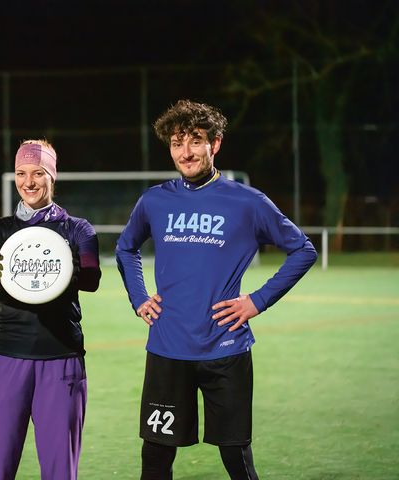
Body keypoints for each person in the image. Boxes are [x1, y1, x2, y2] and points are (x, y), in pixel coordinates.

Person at [116, 100, 317, 479]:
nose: (186, 152)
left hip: (226, 349)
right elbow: (126, 247)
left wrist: (257, 301)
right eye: (178, 143)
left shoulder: (248, 202)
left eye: (196, 141)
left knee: (235, 456)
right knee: (156, 457)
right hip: (167, 348)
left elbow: (302, 250)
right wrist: (139, 297)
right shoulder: (155, 200)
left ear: (216, 144)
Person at [0, 139, 102, 479]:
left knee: (60, 469)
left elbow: (91, 278)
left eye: (38, 173)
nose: (28, 182)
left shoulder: (78, 229)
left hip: (60, 358)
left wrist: (60, 267)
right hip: (7, 356)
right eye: (21, 173)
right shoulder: (0, 229)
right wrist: (19, 268)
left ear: (53, 176)